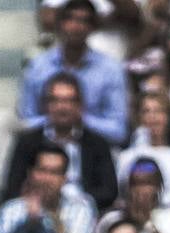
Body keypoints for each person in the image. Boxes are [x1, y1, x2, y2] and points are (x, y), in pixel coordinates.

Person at [1, 72, 118, 213]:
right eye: (55, 100)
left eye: (69, 101)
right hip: (37, 213)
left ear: (79, 106)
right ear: (45, 105)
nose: (62, 107)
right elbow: (12, 189)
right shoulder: (27, 142)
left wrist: (78, 203)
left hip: (85, 212)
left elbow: (109, 191)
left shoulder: (97, 144)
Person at [18, 0, 129, 146]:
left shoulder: (110, 69)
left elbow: (118, 131)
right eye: (70, 19)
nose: (76, 26)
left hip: (93, 149)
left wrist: (80, 119)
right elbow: (26, 122)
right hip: (46, 147)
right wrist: (57, 118)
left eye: (83, 20)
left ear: (92, 27)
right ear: (59, 24)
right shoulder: (38, 66)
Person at [118, 90, 170, 207]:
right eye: (146, 111)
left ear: (169, 116)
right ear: (140, 117)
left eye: (158, 111)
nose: (153, 117)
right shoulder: (127, 157)